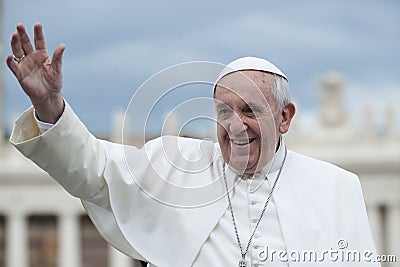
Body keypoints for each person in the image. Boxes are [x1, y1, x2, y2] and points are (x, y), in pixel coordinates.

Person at [7, 23, 379, 267]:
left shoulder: (337, 187)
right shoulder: (176, 166)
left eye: (249, 111)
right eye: (223, 111)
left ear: (284, 117)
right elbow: (94, 170)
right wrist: (48, 105)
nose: (235, 126)